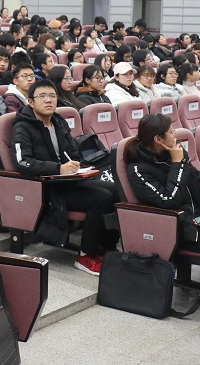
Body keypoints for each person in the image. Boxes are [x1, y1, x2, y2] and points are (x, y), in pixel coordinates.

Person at [11, 78, 119, 275]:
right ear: (31, 102)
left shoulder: (58, 122)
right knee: (101, 198)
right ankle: (85, 255)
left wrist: (77, 165)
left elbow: (73, 151)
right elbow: (22, 162)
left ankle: (106, 246)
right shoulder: (22, 127)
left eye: (52, 96)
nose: (48, 100)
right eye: (42, 96)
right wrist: (58, 168)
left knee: (116, 190)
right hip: (47, 187)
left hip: (68, 181)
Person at [123, 113, 200, 260]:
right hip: (184, 229)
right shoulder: (138, 170)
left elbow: (199, 181)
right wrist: (177, 164)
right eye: (172, 132)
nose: (175, 135)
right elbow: (169, 200)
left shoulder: (175, 152)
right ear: (158, 139)